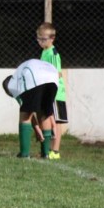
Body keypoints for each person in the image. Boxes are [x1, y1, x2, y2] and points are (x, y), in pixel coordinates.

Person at [3, 59, 59, 159]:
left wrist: (36, 128)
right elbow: (48, 111)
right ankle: (46, 153)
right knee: (44, 112)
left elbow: (28, 111)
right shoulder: (20, 74)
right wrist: (53, 124)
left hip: (35, 75)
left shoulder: (13, 85)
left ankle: (24, 154)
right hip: (52, 77)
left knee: (24, 113)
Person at [33, 22, 68, 160]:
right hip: (48, 92)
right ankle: (47, 150)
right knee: (47, 120)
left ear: (52, 38)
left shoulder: (53, 54)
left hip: (55, 93)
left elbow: (56, 73)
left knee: (56, 122)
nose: (40, 42)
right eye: (39, 39)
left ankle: (55, 151)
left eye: (43, 39)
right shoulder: (44, 52)